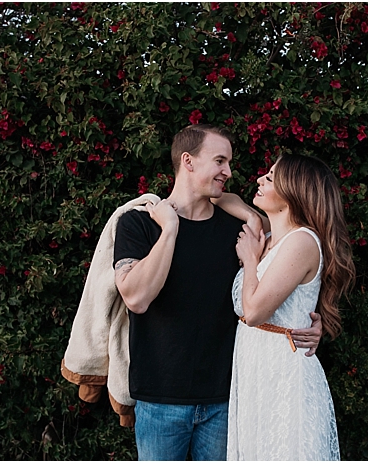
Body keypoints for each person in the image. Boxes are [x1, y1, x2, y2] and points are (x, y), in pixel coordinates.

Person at [112, 125, 323, 460]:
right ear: (188, 161)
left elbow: (291, 265)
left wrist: (307, 321)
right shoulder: (139, 223)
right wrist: (170, 230)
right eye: (220, 161)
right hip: (160, 399)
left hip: (226, 400)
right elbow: (136, 299)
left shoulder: (241, 233)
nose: (229, 171)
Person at [228, 153, 355, 460]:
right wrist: (254, 220)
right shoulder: (269, 237)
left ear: (291, 193)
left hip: (284, 375)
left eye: (270, 178)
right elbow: (225, 197)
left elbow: (255, 312)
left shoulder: (301, 242)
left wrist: (249, 260)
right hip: (255, 369)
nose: (259, 179)